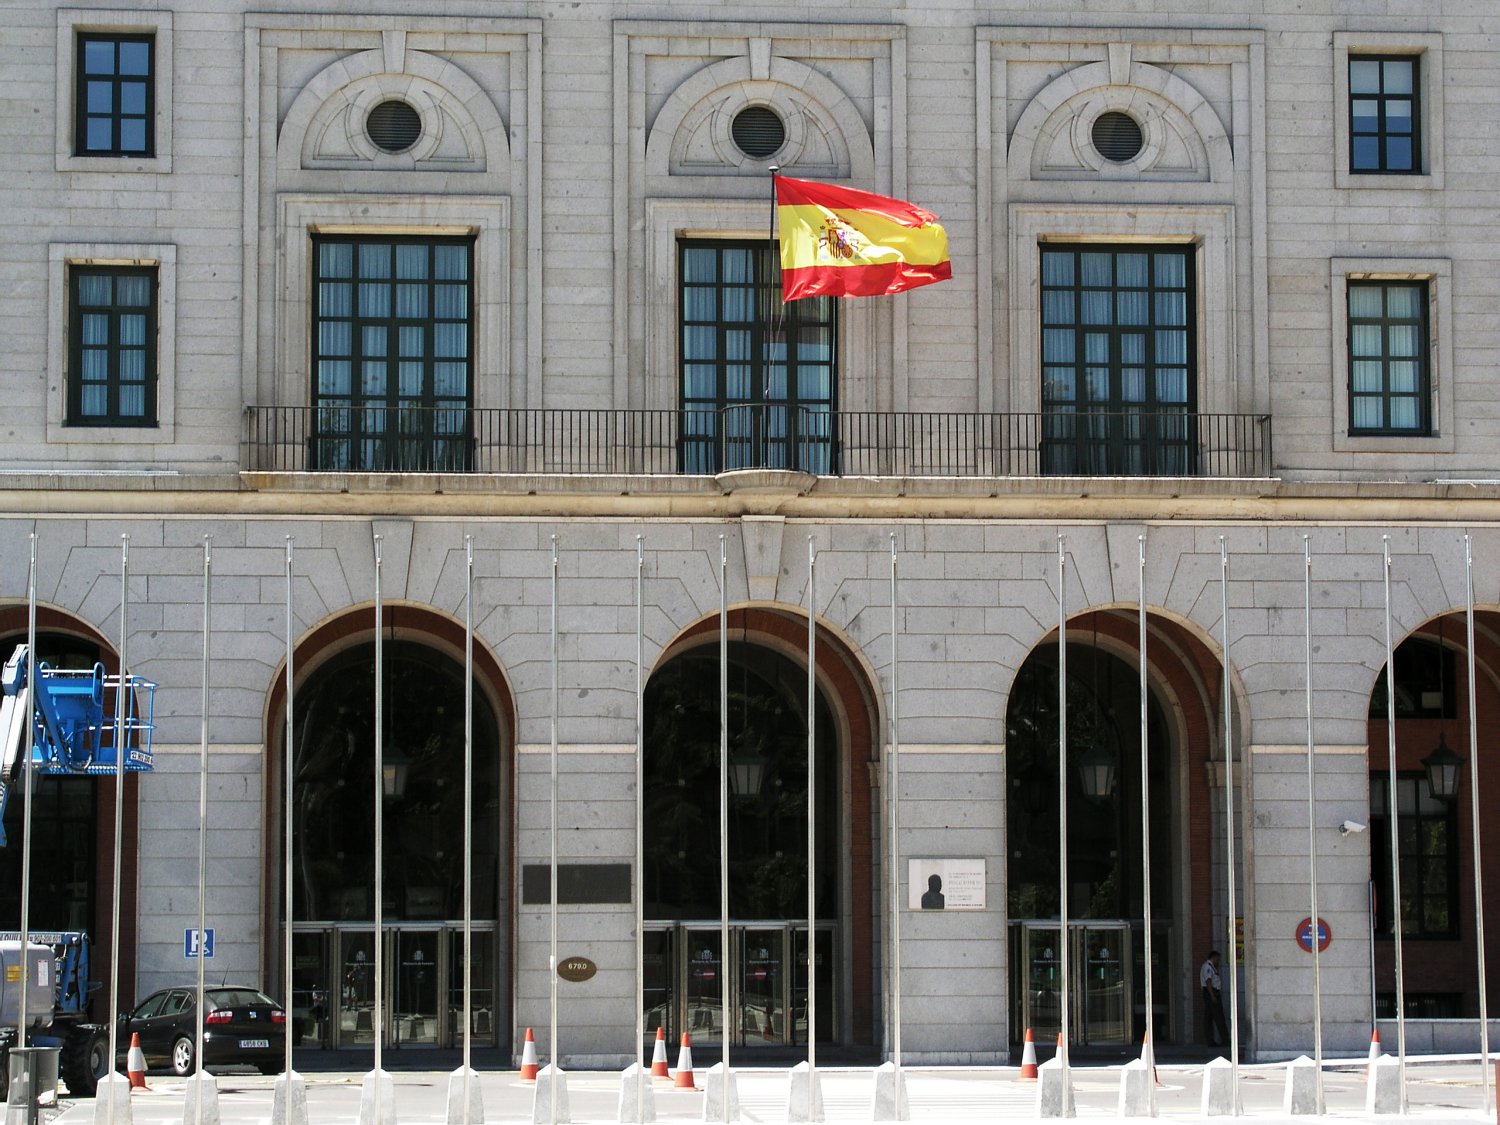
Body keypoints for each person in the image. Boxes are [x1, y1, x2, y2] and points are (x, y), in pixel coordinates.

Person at [1199, 950, 1230, 1047]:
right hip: (1211, 992)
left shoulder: (1211, 967)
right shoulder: (1208, 967)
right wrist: (1212, 995)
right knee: (1218, 1016)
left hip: (1210, 993)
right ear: (1214, 957)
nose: (1218, 961)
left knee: (1209, 1017)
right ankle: (1224, 1039)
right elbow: (1208, 982)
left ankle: (1211, 1040)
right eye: (1218, 959)